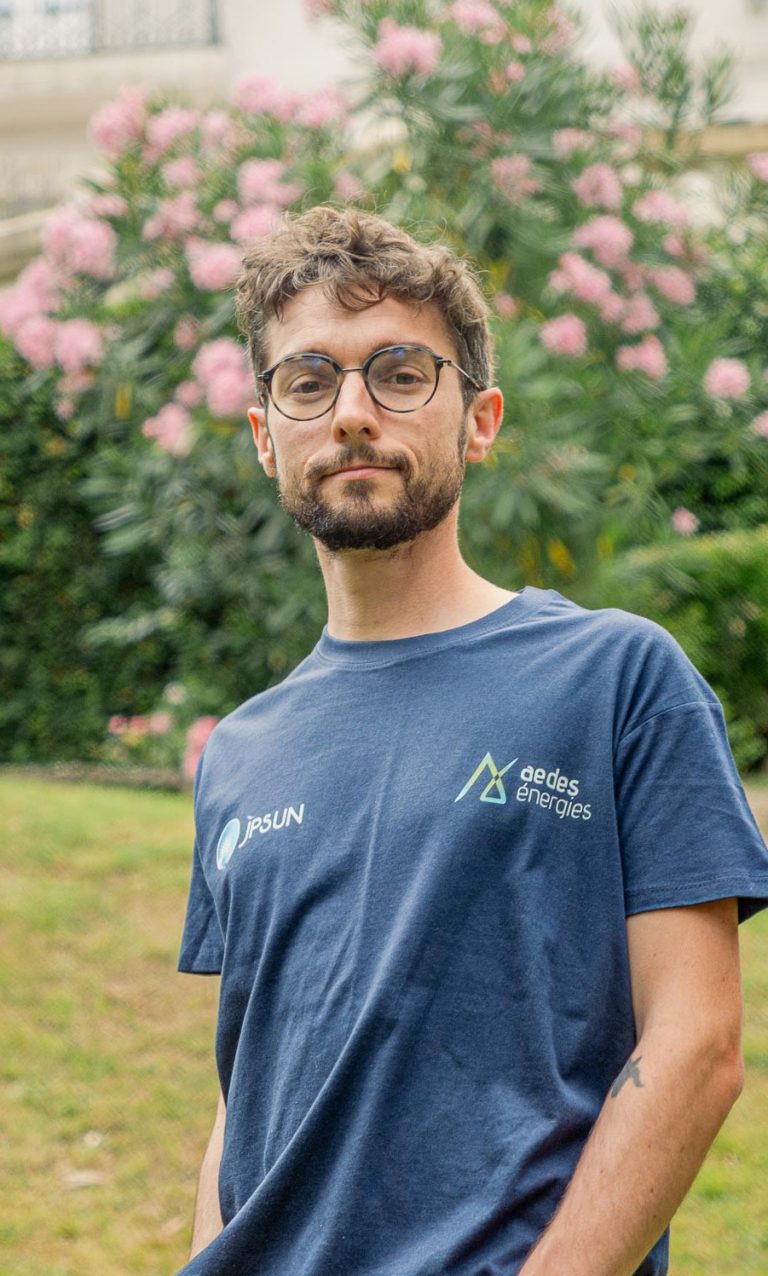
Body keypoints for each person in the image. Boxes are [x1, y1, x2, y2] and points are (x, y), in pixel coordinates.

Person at [176, 206, 768, 1276]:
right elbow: (249, 1083)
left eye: (401, 374)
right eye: (308, 382)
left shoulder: (618, 680)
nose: (353, 413)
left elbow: (697, 1047)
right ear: (267, 436)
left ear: (479, 421)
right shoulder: (241, 752)